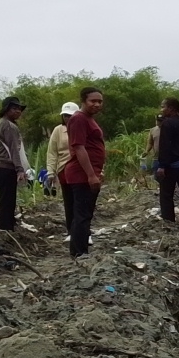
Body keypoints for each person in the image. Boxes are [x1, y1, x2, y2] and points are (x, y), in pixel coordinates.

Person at [64, 87, 105, 257]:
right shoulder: (79, 119)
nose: (97, 104)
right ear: (83, 101)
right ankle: (79, 253)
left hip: (88, 173)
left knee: (84, 214)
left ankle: (80, 251)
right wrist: (90, 175)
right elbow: (79, 148)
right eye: (92, 101)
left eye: (100, 101)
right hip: (81, 175)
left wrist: (97, 171)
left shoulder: (88, 119)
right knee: (82, 215)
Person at [0, 96, 32, 231]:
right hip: (5, 167)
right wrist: (20, 169)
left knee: (6, 199)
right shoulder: (9, 126)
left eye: (19, 109)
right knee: (7, 200)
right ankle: (4, 228)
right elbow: (14, 149)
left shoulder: (1, 123)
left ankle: (8, 225)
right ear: (6, 110)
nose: (18, 111)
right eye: (14, 108)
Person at [46, 101, 78, 239]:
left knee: (81, 200)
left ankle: (82, 229)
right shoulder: (58, 130)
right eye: (65, 116)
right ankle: (71, 229)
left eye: (70, 115)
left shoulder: (82, 128)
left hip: (80, 168)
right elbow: (52, 152)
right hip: (64, 169)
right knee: (69, 200)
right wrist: (50, 172)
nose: (68, 118)